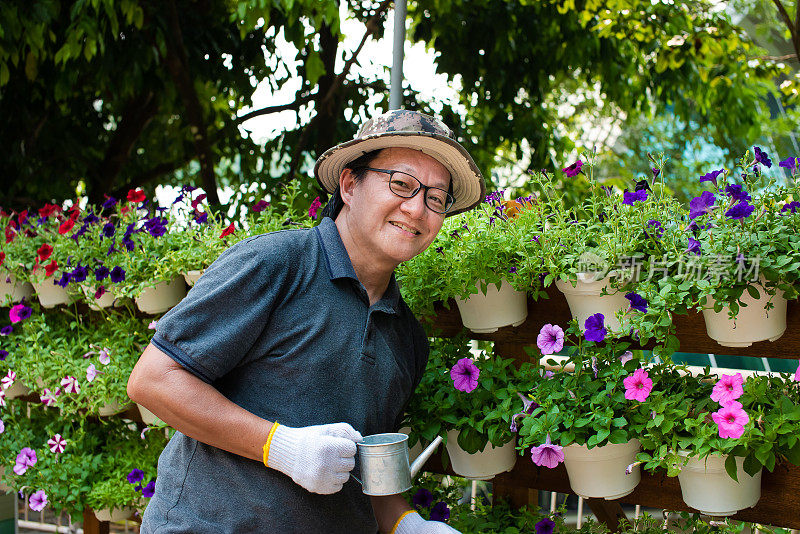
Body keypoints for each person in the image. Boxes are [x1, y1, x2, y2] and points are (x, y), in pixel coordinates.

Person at [127, 109, 487, 533]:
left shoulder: (407, 338)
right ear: (350, 185)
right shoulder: (275, 264)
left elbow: (364, 474)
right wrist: (279, 447)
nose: (416, 209)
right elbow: (153, 380)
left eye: (436, 198)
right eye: (401, 184)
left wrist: (407, 524)